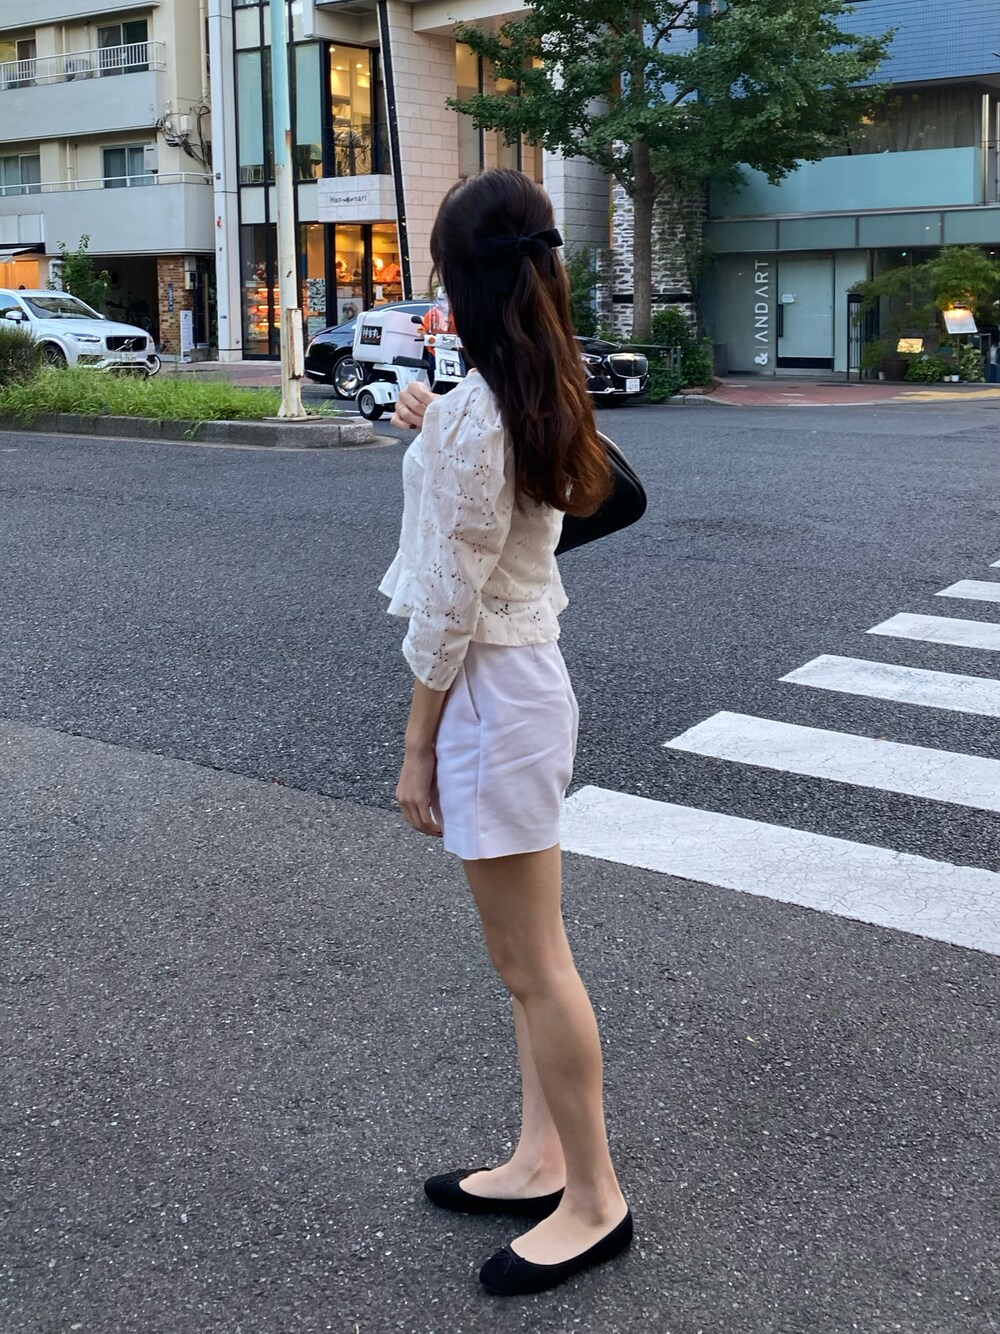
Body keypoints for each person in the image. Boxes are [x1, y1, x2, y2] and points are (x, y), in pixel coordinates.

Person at [378, 168, 632, 1298]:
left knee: (533, 964)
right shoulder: (533, 380)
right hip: (523, 682)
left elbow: (450, 602)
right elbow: (510, 505)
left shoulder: (484, 410)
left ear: (463, 278)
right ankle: (540, 1159)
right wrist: (435, 430)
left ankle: (595, 1198)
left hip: (489, 692)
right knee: (531, 961)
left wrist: (414, 747)